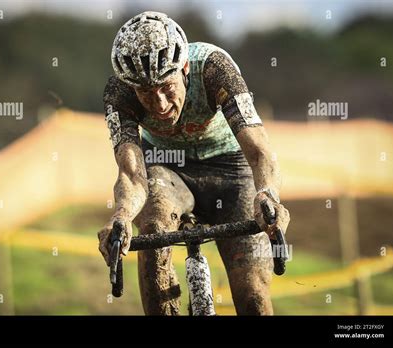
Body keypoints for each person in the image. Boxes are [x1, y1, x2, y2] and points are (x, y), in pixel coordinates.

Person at [98, 11, 290, 315]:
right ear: (131, 86)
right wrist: (121, 216)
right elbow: (132, 175)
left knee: (252, 295)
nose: (159, 104)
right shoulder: (119, 92)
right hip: (167, 169)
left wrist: (267, 194)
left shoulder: (214, 68)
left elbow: (258, 151)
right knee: (153, 224)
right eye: (146, 93)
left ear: (185, 67)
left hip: (232, 170)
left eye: (166, 87)